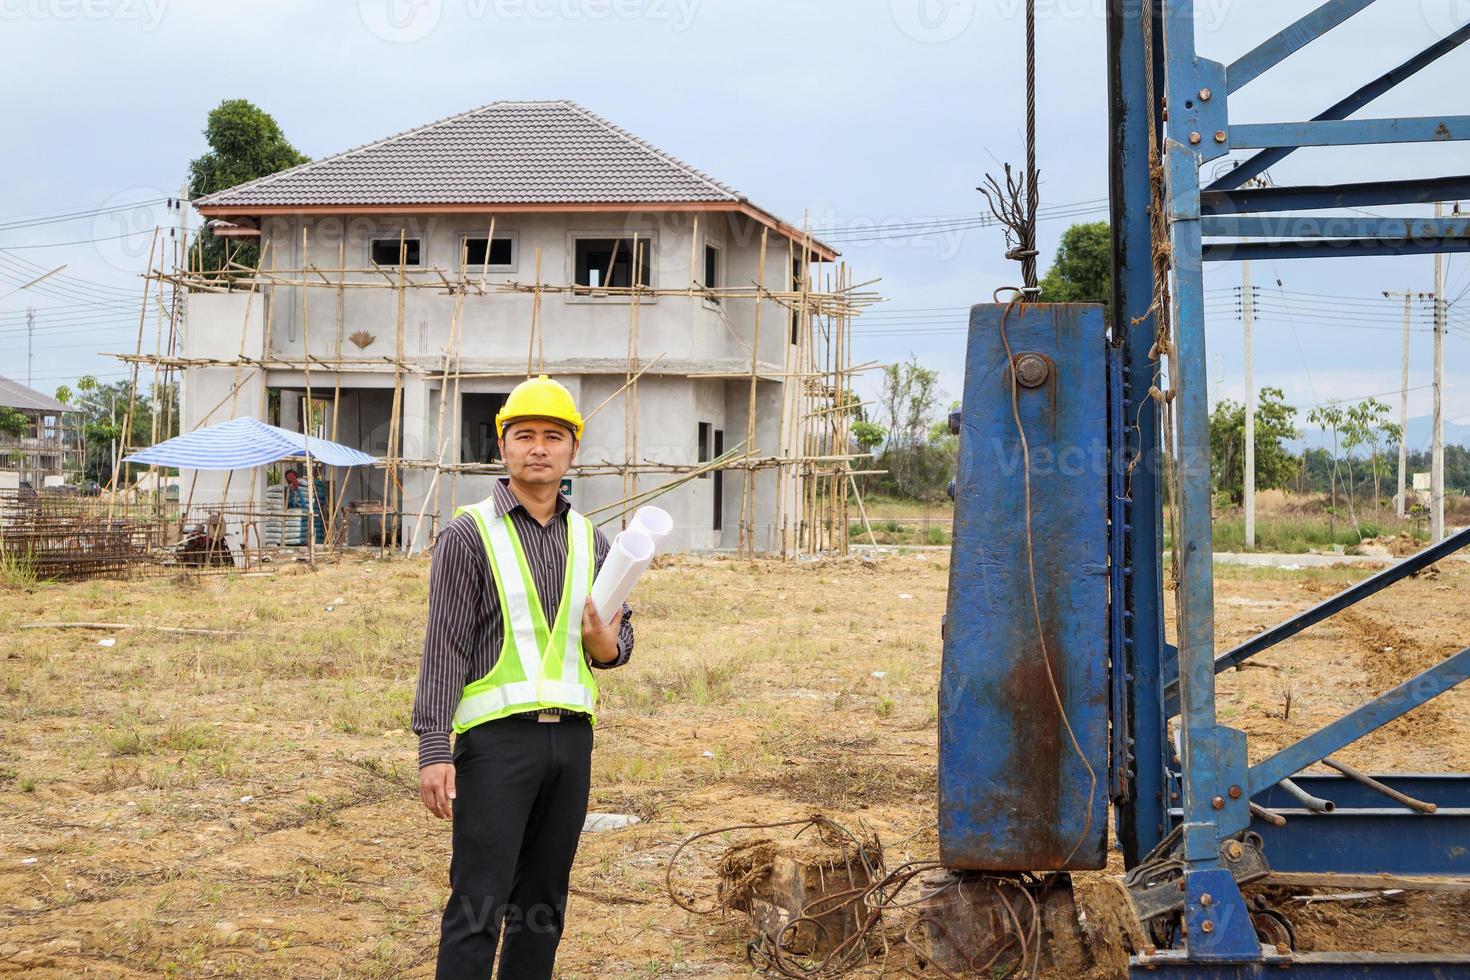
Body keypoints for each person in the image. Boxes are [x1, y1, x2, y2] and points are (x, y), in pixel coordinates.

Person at [412, 374, 634, 979]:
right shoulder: (468, 534)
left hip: (571, 744)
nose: (539, 447)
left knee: (543, 907)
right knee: (479, 904)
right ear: (503, 446)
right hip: (495, 746)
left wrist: (606, 645)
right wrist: (435, 750)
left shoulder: (596, 540)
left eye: (553, 436)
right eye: (525, 435)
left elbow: (620, 642)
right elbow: (445, 649)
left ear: (573, 452)